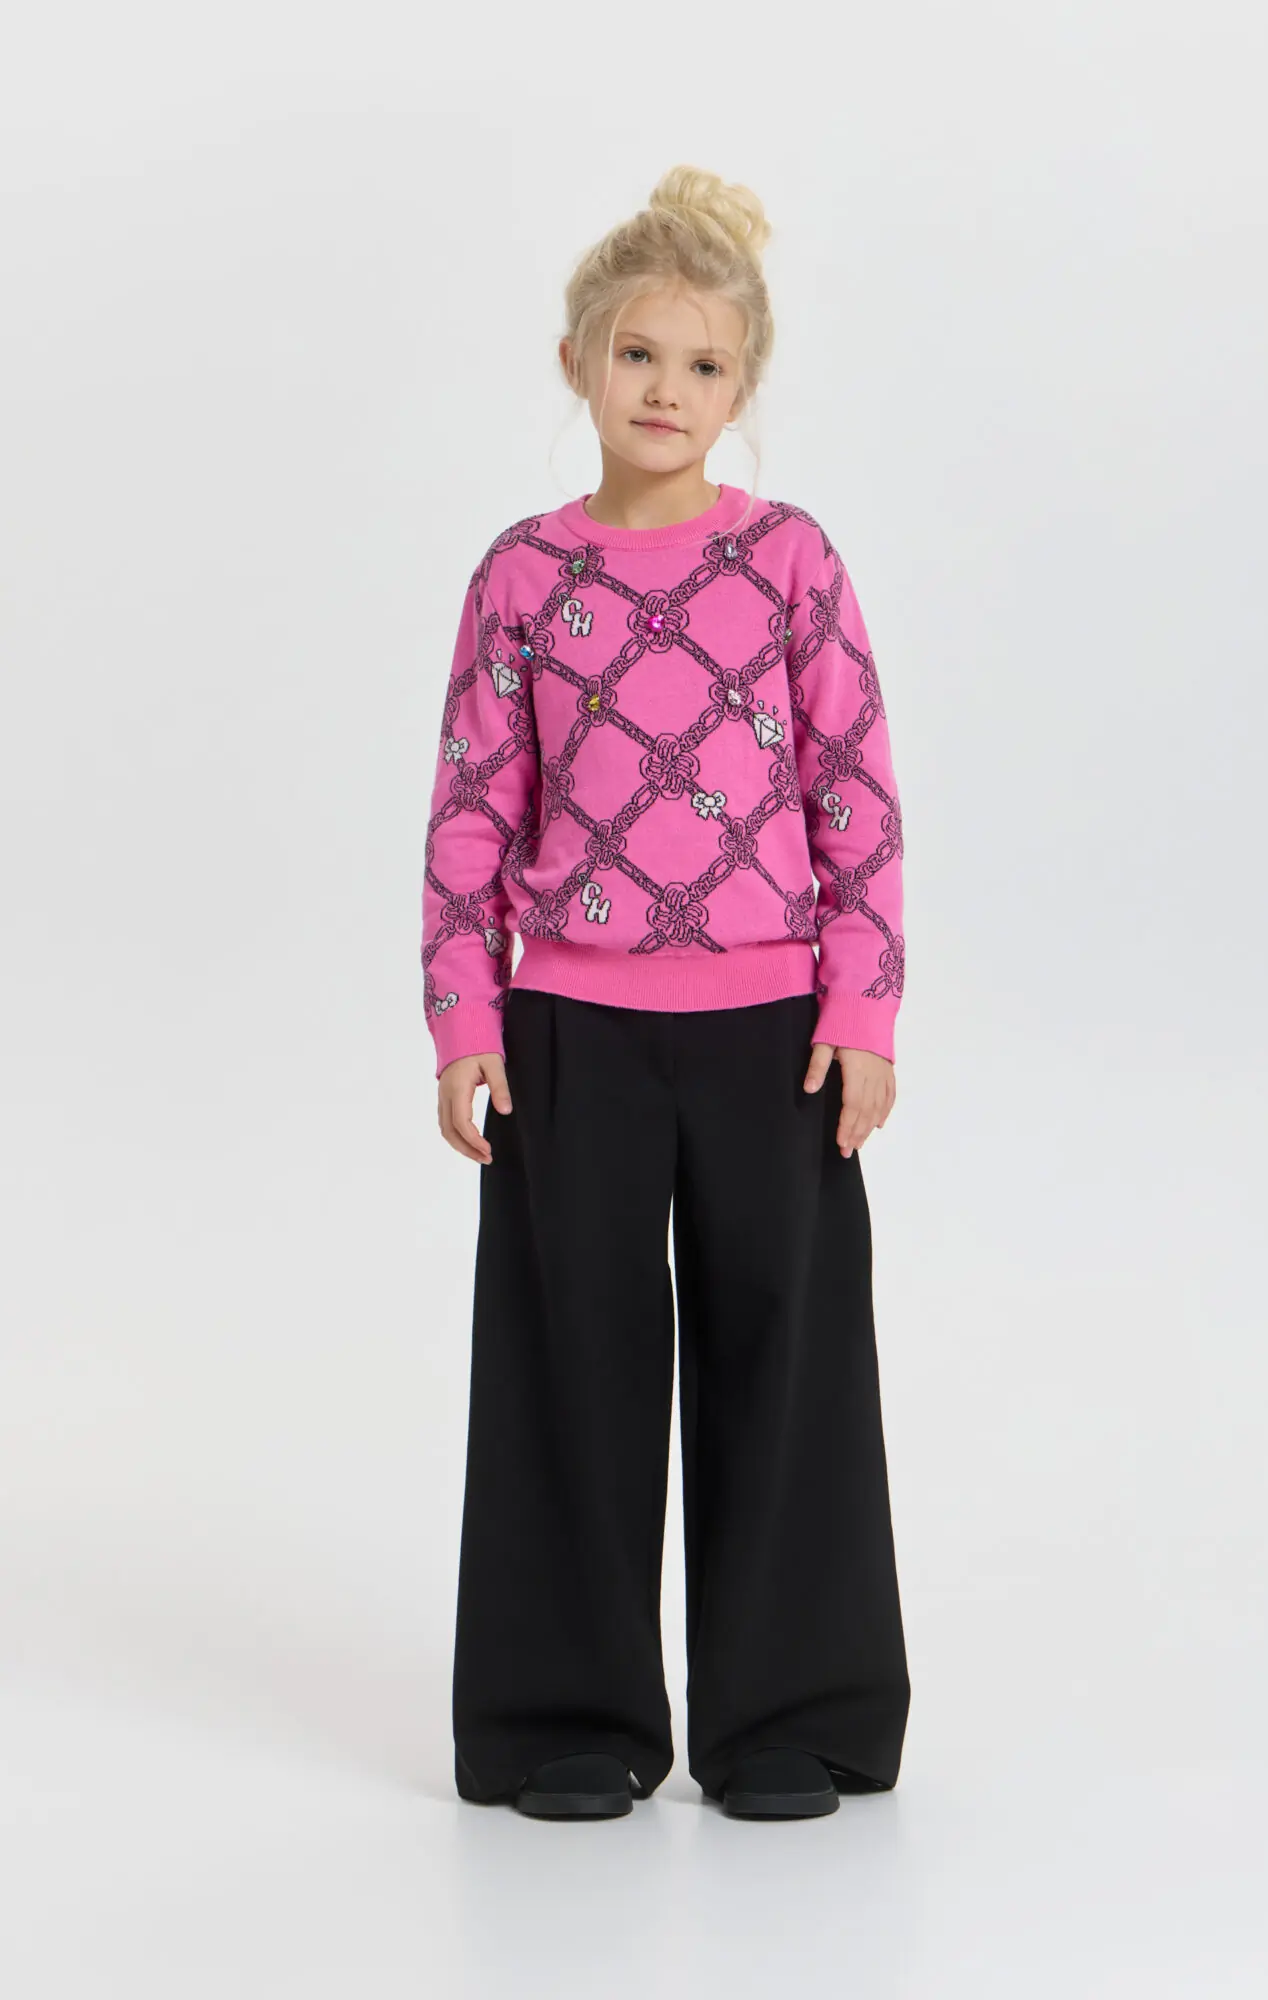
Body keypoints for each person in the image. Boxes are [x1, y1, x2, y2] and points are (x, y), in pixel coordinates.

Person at [420, 164, 910, 1822]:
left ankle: (792, 1714)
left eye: (703, 365)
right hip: (570, 1037)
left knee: (788, 1361)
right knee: (571, 1361)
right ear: (578, 360)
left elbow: (854, 790)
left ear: (740, 385)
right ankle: (564, 1714)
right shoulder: (521, 576)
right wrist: (465, 1022)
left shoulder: (788, 563)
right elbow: (471, 810)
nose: (665, 390)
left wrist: (860, 1013)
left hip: (774, 1040)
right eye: (637, 353)